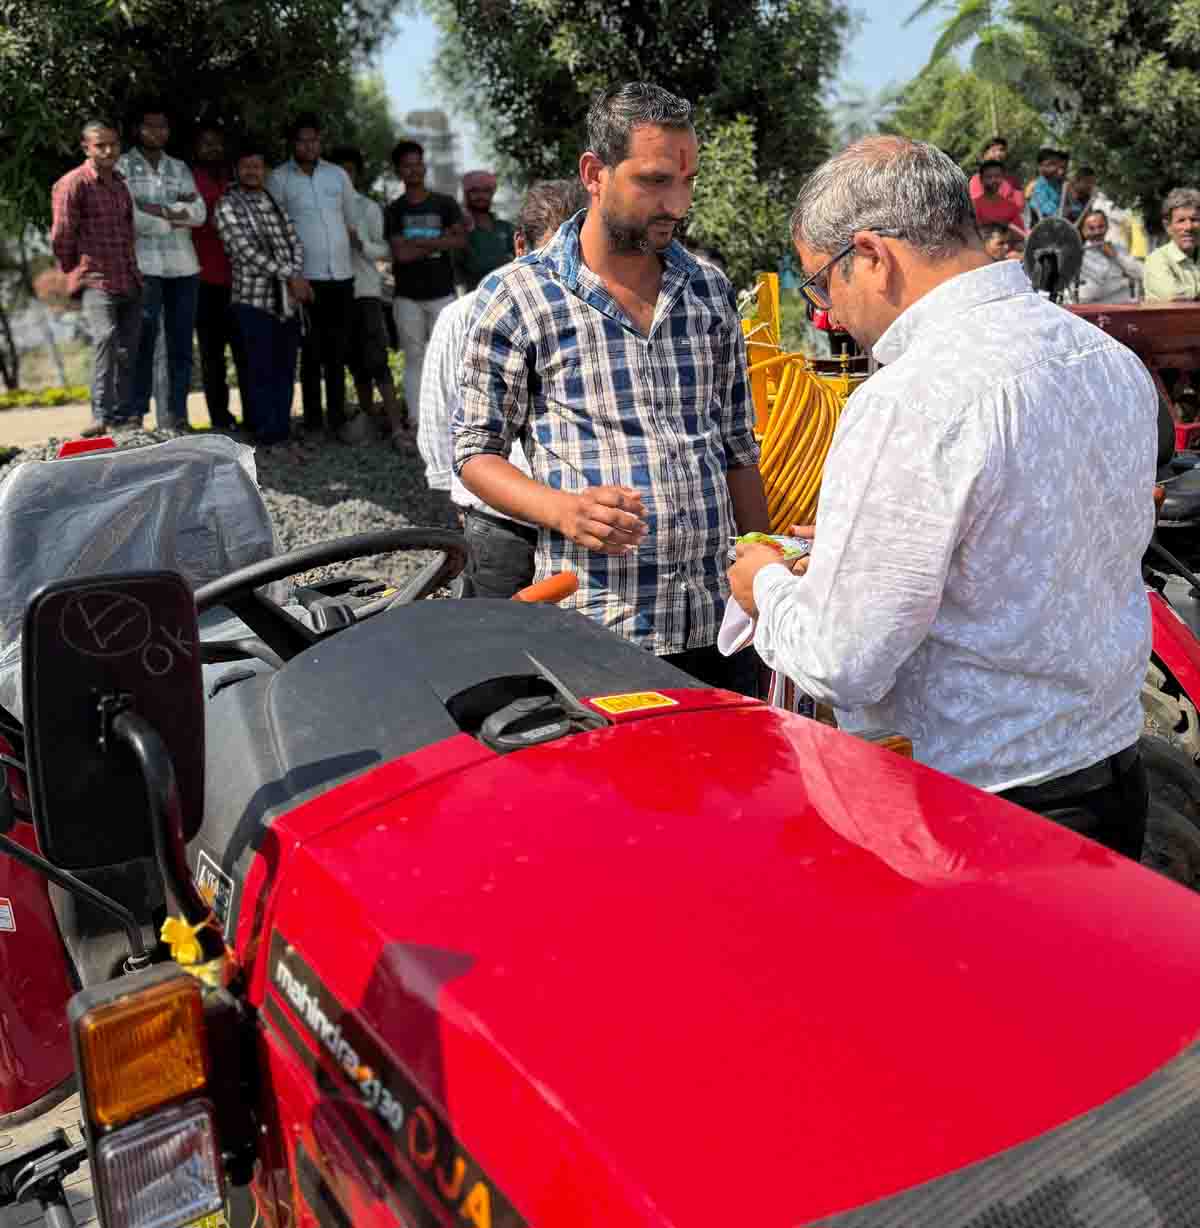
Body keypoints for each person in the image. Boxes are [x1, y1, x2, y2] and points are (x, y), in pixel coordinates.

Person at [727, 136, 1156, 857]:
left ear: (871, 255)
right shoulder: (1103, 356)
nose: (827, 314)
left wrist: (763, 585)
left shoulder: (912, 398)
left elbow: (845, 658)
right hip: (1112, 772)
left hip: (989, 810)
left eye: (820, 284)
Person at [454, 82, 770, 693]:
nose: (676, 203)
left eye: (688, 181)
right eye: (654, 181)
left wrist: (762, 574)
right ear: (595, 173)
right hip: (599, 630)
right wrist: (563, 511)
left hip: (720, 626)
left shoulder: (707, 289)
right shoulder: (518, 297)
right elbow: (474, 453)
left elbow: (737, 449)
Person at [419, 179, 587, 595]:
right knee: (500, 648)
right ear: (519, 246)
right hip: (500, 524)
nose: (561, 268)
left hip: (579, 524)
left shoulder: (592, 319)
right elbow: (438, 413)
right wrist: (460, 496)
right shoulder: (464, 317)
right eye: (548, 253)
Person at [267, 114, 359, 440]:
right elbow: (274, 229)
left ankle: (337, 421)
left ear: (320, 142)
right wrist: (293, 276)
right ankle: (313, 422)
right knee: (311, 352)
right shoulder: (279, 179)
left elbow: (351, 219)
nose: (310, 146)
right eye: (303, 140)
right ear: (293, 144)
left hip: (342, 277)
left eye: (314, 140)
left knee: (337, 352)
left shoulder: (336, 176)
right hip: (305, 279)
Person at [216, 137, 310, 450]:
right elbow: (243, 251)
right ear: (237, 170)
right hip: (252, 300)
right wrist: (290, 275)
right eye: (246, 167)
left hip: (287, 301)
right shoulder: (228, 204)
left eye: (257, 166)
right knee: (259, 369)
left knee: (285, 368)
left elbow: (296, 242)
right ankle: (264, 434)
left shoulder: (274, 203)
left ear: (264, 170)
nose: (252, 172)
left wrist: (294, 274)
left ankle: (281, 431)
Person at [50, 119, 142, 437]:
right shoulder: (73, 183)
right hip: (95, 279)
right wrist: (72, 270)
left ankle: (125, 417)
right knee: (106, 338)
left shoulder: (120, 183)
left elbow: (128, 231)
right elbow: (62, 233)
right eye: (100, 144)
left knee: (129, 349)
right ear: (85, 147)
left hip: (128, 277)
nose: (107, 150)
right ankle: (100, 415)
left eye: (113, 144)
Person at [116, 104, 205, 433]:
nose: (157, 132)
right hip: (145, 267)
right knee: (143, 340)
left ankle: (175, 417)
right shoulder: (123, 165)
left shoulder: (179, 167)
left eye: (162, 126)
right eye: (150, 126)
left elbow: (199, 213)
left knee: (180, 344)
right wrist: (174, 216)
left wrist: (156, 209)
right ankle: (135, 416)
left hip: (185, 267)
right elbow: (131, 217)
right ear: (138, 129)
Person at [330, 145, 406, 447]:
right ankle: (367, 422)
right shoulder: (322, 208)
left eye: (349, 171)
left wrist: (359, 243)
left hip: (366, 290)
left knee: (377, 359)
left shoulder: (368, 208)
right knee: (353, 362)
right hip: (334, 293)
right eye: (339, 172)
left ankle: (397, 425)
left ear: (356, 174)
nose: (344, 177)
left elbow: (384, 249)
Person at [386, 140, 465, 425]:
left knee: (449, 355)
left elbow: (459, 240)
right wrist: (437, 242)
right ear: (399, 171)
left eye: (417, 163)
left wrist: (418, 242)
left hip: (443, 292)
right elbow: (400, 254)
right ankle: (418, 419)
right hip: (407, 295)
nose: (413, 169)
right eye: (407, 165)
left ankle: (451, 418)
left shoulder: (444, 203)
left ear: (424, 166)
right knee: (414, 357)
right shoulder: (394, 209)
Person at [190, 123, 249, 431]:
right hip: (204, 280)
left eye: (217, 143)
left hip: (241, 280)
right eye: (206, 143)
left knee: (245, 352)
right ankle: (221, 419)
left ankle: (253, 416)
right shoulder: (190, 180)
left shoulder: (236, 178)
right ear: (197, 149)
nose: (212, 148)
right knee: (213, 357)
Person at [457, 170, 516, 291]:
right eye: (475, 191)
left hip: (507, 292)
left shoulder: (505, 227)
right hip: (472, 297)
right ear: (465, 194)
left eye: (486, 191)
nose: (481, 196)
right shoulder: (459, 229)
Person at [1073, 209, 1143, 303]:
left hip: (1121, 307)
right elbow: (1084, 293)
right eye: (1091, 228)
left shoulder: (1117, 248)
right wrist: (1122, 282)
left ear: (1107, 227)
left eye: (1101, 227)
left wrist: (1116, 256)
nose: (1097, 232)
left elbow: (1140, 272)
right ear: (1083, 231)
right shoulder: (1078, 255)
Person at [1144, 188, 1200, 302]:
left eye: (1194, 219)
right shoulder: (1157, 259)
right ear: (1168, 226)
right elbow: (1173, 296)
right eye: (1181, 220)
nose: (1188, 227)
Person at [973, 161, 1025, 232]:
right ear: (981, 180)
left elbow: (1020, 233)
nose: (993, 180)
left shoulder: (1011, 206)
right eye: (989, 177)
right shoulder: (974, 206)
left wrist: (1005, 237)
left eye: (997, 176)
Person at [967, 138, 1022, 202]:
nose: (998, 154)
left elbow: (1019, 204)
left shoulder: (1012, 180)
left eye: (1002, 150)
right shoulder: (976, 180)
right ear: (985, 155)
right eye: (994, 150)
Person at [1026, 147, 1068, 224]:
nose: (1054, 168)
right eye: (1050, 164)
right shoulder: (1037, 186)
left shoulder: (1060, 185)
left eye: (1055, 164)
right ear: (1040, 167)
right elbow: (1046, 210)